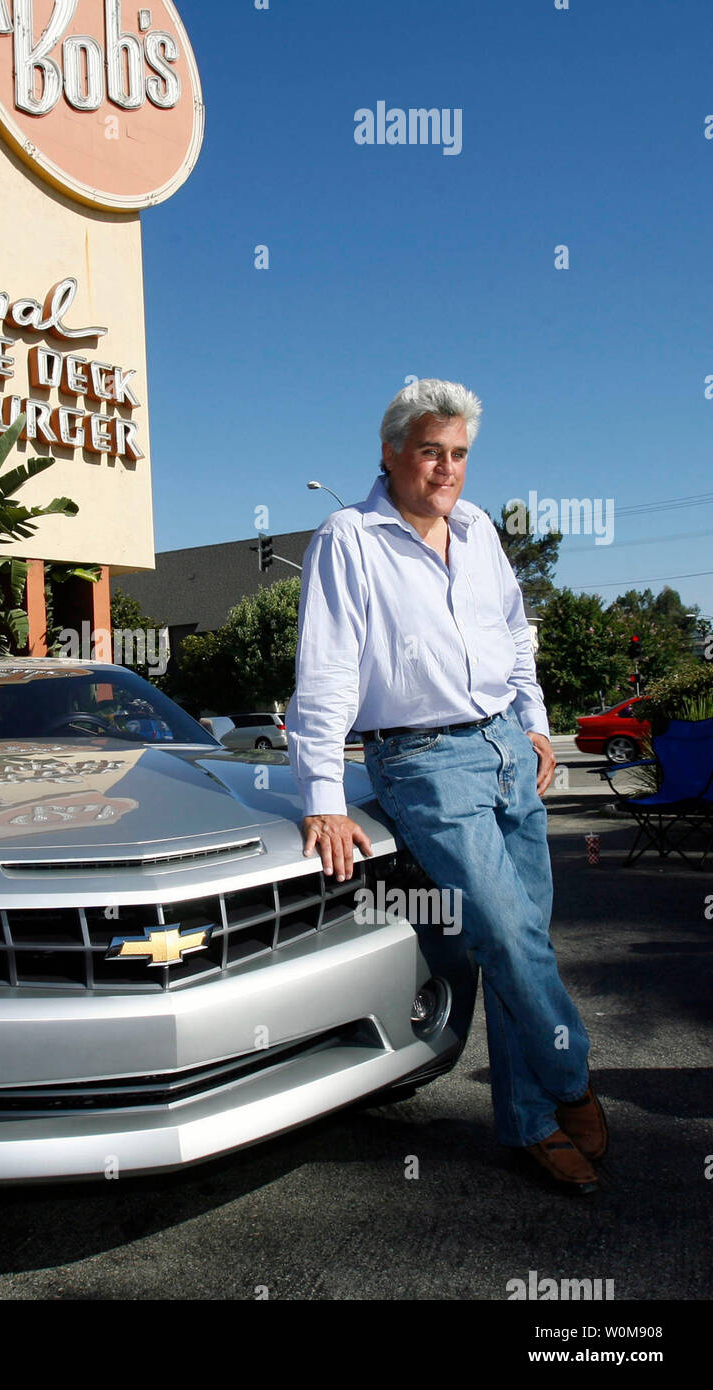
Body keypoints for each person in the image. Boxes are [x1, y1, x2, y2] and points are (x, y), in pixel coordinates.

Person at [285, 378, 607, 1193]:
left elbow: (514, 636)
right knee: (506, 933)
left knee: (521, 941)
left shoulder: (479, 530)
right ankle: (571, 1082)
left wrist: (533, 719)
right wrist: (322, 794)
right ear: (392, 452)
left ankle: (530, 1124)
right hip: (422, 759)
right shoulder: (349, 537)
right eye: (431, 451)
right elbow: (324, 674)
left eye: (459, 454)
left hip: (506, 748)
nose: (447, 470)